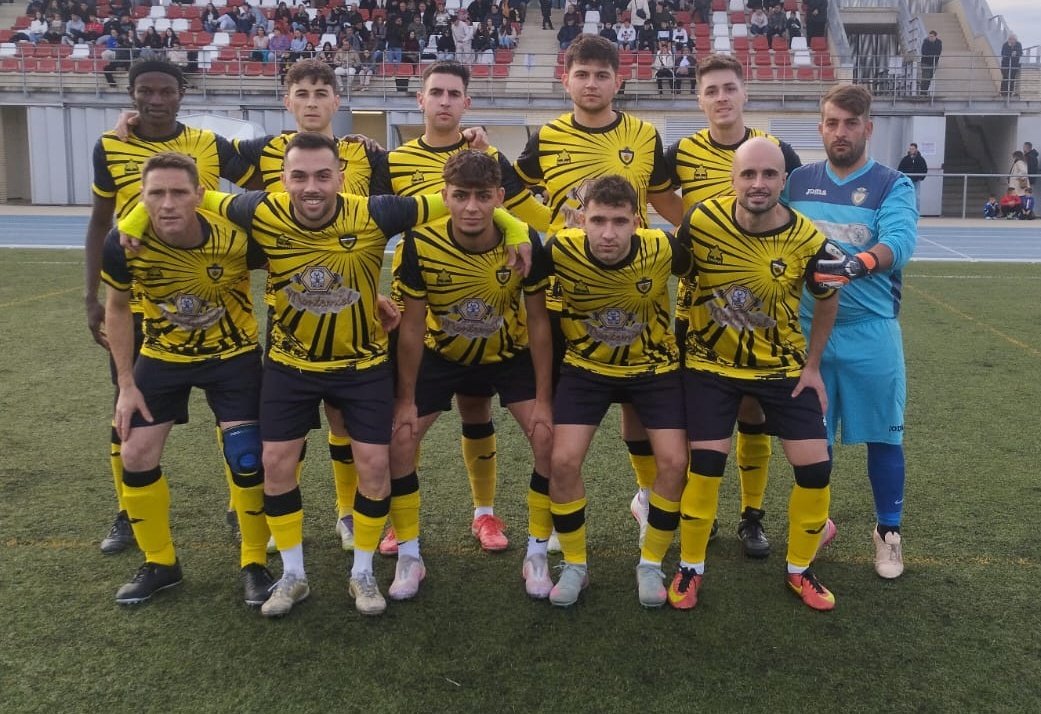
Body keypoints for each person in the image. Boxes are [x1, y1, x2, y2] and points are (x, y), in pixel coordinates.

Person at [128, 132, 446, 618]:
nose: (311, 186)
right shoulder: (259, 210)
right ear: (283, 180)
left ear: (341, 178)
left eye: (323, 175)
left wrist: (511, 232)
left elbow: (460, 200)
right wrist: (132, 217)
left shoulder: (377, 213)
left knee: (375, 468)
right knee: (274, 465)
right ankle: (293, 575)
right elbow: (186, 190)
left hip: (361, 367)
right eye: (299, 176)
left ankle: (361, 572)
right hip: (289, 366)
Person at [374, 61, 550, 558]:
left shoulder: (485, 154)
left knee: (477, 412)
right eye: (437, 92)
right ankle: (399, 525)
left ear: (466, 102)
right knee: (403, 426)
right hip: (429, 308)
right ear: (421, 100)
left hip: (496, 313)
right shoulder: (394, 161)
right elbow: (364, 226)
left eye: (455, 93)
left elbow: (519, 211)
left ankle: (484, 513)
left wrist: (528, 228)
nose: (446, 101)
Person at [84, 60, 256, 556]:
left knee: (237, 421)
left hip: (214, 290)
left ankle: (237, 507)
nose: (155, 100)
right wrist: (90, 295)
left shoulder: (206, 143)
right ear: (132, 95)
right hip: (137, 295)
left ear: (182, 94)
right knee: (126, 406)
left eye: (165, 91)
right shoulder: (110, 144)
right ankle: (126, 511)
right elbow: (100, 222)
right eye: (145, 91)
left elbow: (263, 174)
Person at [515, 35, 678, 548]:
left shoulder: (645, 135)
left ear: (618, 81)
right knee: (560, 434)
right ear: (566, 79)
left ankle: (647, 495)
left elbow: (662, 198)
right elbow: (513, 190)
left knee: (637, 410)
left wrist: (713, 228)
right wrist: (554, 227)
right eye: (582, 74)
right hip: (569, 298)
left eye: (601, 75)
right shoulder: (545, 137)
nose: (591, 84)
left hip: (636, 293)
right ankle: (554, 537)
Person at [672, 137, 840, 611]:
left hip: (782, 368)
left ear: (784, 181)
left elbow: (828, 301)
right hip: (710, 365)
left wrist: (813, 367)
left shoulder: (809, 238)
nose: (758, 184)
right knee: (704, 468)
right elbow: (680, 280)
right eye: (748, 174)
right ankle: (690, 567)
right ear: (733, 179)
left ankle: (800, 570)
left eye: (769, 175)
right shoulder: (701, 220)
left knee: (816, 468)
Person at [102, 152, 273, 607]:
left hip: (233, 356)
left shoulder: (239, 236)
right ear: (141, 197)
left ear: (200, 195)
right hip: (162, 356)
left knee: (246, 456)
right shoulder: (123, 243)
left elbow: (294, 256)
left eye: (179, 192)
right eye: (156, 193)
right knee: (135, 453)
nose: (168, 203)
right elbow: (117, 310)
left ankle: (255, 561)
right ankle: (161, 563)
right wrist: (125, 383)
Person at [655, 53, 803, 559]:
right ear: (700, 99)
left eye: (729, 89)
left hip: (761, 308)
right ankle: (702, 515)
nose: (721, 98)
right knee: (706, 412)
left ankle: (752, 516)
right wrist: (690, 223)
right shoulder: (681, 151)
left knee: (754, 409)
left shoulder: (774, 149)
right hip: (699, 306)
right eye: (711, 90)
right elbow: (655, 193)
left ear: (745, 94)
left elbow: (793, 213)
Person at [390, 150, 553, 600]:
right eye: (460, 196)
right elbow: (413, 324)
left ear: (500, 197)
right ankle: (408, 553)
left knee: (548, 439)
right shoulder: (419, 244)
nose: (472, 207)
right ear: (445, 196)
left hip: (507, 353)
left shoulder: (523, 243)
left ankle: (537, 552)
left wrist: (544, 397)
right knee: (399, 438)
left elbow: (539, 321)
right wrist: (405, 398)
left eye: (483, 196)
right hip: (442, 355)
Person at [785, 84, 917, 580]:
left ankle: (888, 533)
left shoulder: (891, 184)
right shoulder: (796, 181)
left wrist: (856, 264)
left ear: (868, 128)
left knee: (885, 437)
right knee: (811, 443)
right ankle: (816, 523)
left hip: (870, 332)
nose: (841, 132)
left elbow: (899, 242)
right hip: (805, 332)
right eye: (832, 123)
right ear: (820, 127)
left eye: (850, 123)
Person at [543, 175, 692, 608]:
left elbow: (702, 275)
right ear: (581, 219)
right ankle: (575, 565)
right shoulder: (559, 249)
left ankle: (650, 564)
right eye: (598, 220)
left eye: (620, 222)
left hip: (654, 368)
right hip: (586, 369)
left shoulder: (662, 248)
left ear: (637, 221)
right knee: (562, 461)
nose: (608, 233)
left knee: (675, 461)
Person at [897, 142, 927, 211]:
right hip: (907, 180)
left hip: (916, 180)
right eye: (910, 149)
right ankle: (907, 211)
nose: (911, 150)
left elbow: (924, 169)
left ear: (916, 149)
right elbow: (900, 169)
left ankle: (916, 212)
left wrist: (921, 177)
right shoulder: (905, 159)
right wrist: (902, 178)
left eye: (913, 149)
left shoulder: (920, 159)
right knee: (907, 196)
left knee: (916, 196)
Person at [919, 30, 941, 94]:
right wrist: (932, 54)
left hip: (934, 63)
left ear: (935, 37)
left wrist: (931, 54)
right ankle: (922, 92)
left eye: (932, 36)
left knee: (929, 78)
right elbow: (924, 52)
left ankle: (925, 91)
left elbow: (938, 53)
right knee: (925, 77)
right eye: (929, 36)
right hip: (925, 62)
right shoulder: (925, 42)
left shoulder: (939, 43)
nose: (930, 38)